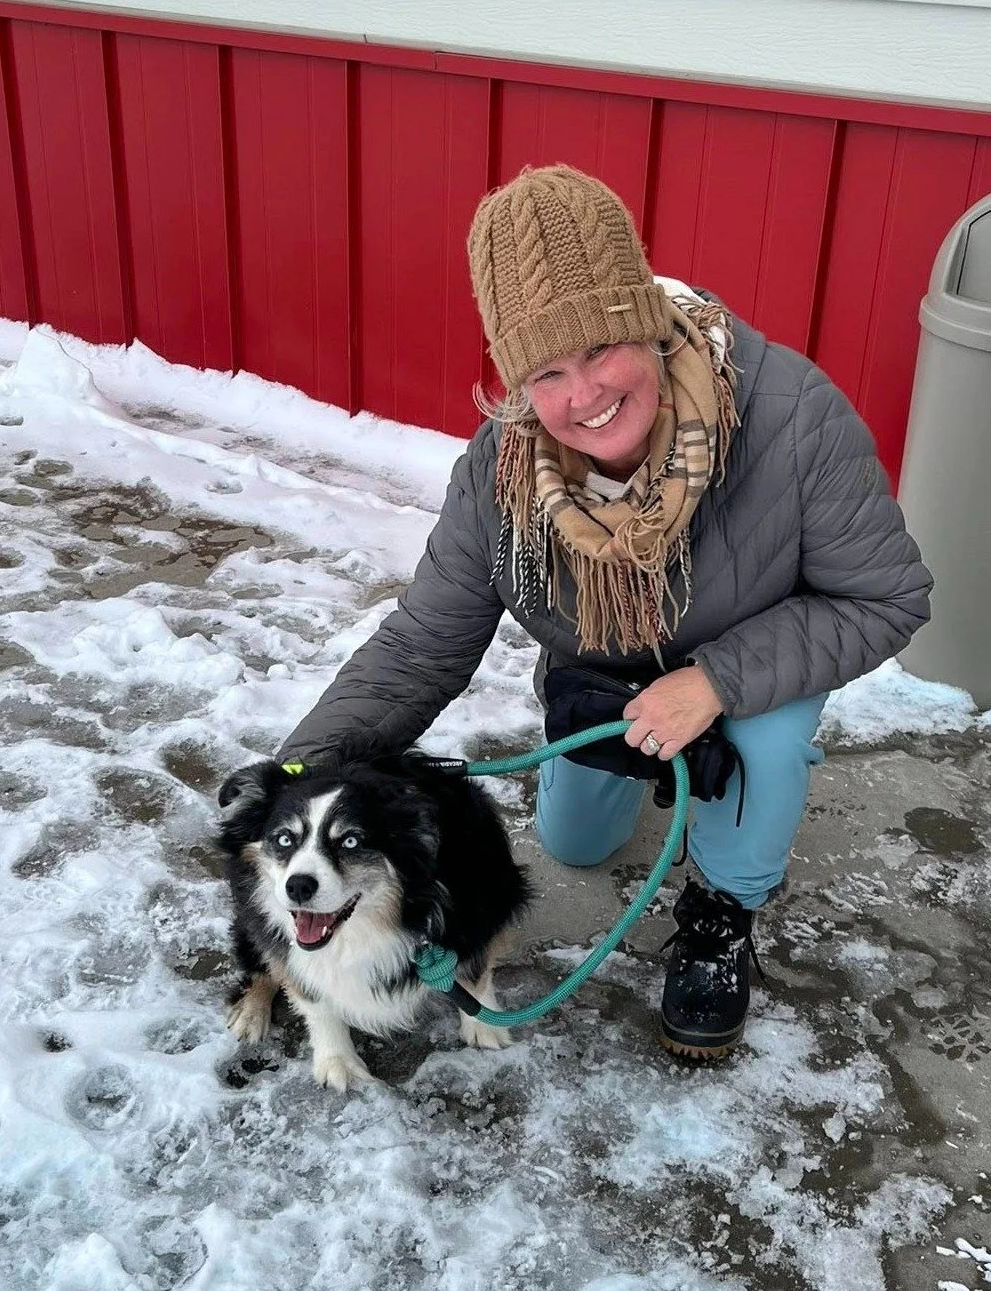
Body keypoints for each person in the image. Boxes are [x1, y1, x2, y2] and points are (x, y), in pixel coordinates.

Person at [279, 164, 932, 1060]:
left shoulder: (795, 418)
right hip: (602, 675)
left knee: (765, 743)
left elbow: (885, 594)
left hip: (749, 665)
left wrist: (716, 680)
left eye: (600, 350)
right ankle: (632, 769)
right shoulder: (502, 470)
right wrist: (299, 775)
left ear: (649, 326)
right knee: (577, 843)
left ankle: (723, 912)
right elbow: (424, 641)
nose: (583, 395)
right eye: (547, 371)